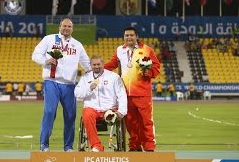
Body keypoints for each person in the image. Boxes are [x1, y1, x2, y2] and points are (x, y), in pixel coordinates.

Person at [32, 18, 91, 152]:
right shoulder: (48, 39)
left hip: (69, 84)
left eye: (69, 26)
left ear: (72, 29)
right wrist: (45, 61)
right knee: (49, 112)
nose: (66, 28)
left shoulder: (77, 45)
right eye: (64, 26)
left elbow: (87, 64)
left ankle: (68, 147)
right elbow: (35, 55)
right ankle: (44, 145)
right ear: (59, 27)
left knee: (71, 115)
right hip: (51, 82)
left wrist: (96, 75)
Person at [104, 26, 160, 152]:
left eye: (131, 35)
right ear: (124, 37)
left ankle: (149, 147)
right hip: (125, 94)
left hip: (142, 93)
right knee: (130, 123)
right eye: (126, 35)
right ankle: (135, 146)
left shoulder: (146, 49)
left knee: (146, 121)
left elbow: (156, 67)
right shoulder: (120, 50)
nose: (129, 37)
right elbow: (112, 64)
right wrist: (97, 69)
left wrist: (149, 72)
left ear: (136, 36)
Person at [74, 55, 127, 152]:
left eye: (99, 64)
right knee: (87, 114)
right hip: (92, 108)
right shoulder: (85, 78)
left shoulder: (114, 77)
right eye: (94, 65)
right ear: (90, 65)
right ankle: (97, 146)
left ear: (103, 64)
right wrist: (89, 88)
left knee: (111, 115)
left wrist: (122, 112)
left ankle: (107, 145)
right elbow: (77, 94)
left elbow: (122, 94)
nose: (96, 66)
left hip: (109, 109)